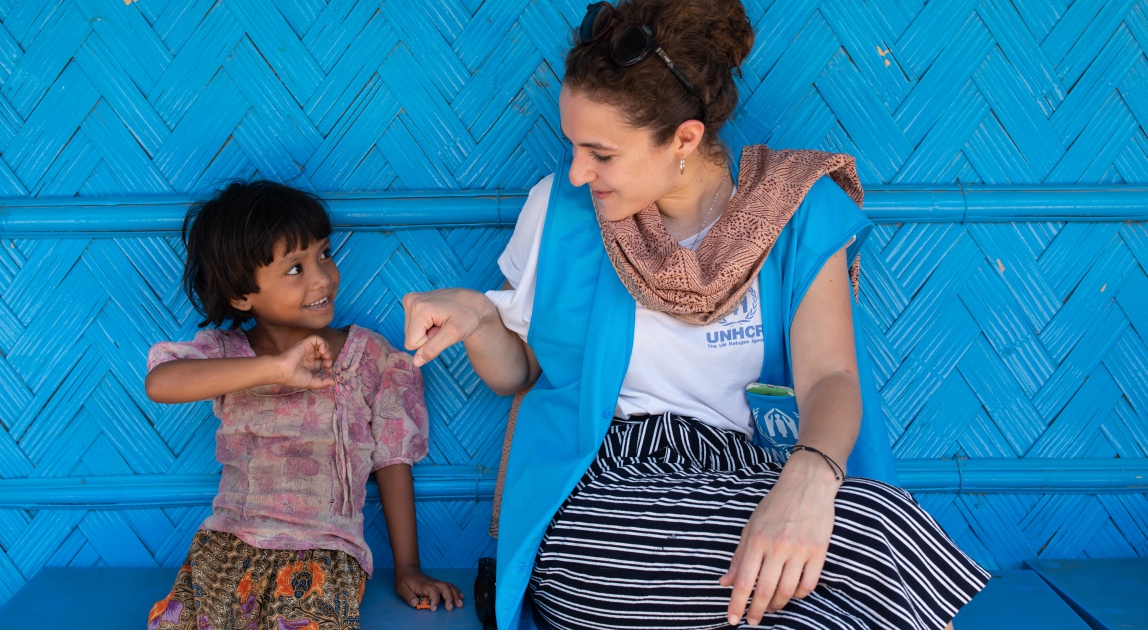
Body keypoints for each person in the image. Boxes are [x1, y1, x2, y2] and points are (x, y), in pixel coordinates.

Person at [400, 1, 988, 629]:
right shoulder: (562, 210)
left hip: (749, 473)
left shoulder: (793, 209)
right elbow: (524, 374)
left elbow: (831, 380)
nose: (577, 171)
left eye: (600, 153)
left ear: (683, 138)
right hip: (610, 494)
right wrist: (481, 319)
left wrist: (807, 484)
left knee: (884, 523)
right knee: (834, 586)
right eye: (572, 146)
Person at [143, 181, 463, 630]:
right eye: (295, 269)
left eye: (324, 253)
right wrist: (274, 369)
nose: (322, 277)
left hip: (323, 551)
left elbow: (392, 460)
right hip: (227, 548)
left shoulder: (369, 356)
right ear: (241, 295)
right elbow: (161, 382)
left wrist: (407, 566)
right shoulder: (225, 353)